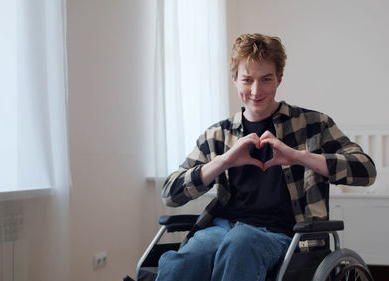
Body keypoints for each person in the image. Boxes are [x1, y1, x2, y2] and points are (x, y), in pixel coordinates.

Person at [156, 33, 376, 281]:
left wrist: (299, 157)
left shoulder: (314, 125)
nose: (256, 90)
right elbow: (170, 194)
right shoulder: (218, 134)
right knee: (187, 259)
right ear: (235, 80)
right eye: (247, 80)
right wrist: (224, 161)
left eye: (266, 79)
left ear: (279, 79)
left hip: (285, 236)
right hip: (221, 228)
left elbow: (366, 171)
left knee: (241, 243)